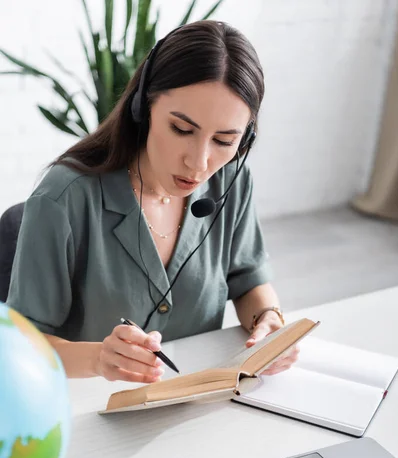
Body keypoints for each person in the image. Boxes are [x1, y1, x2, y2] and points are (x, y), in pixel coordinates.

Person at [7, 20, 298, 383]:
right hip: (86, 412)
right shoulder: (63, 200)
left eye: (224, 141)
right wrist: (100, 358)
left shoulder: (231, 182)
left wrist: (267, 317)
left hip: (192, 404)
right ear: (143, 108)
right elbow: (20, 346)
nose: (199, 162)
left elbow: (247, 278)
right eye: (182, 129)